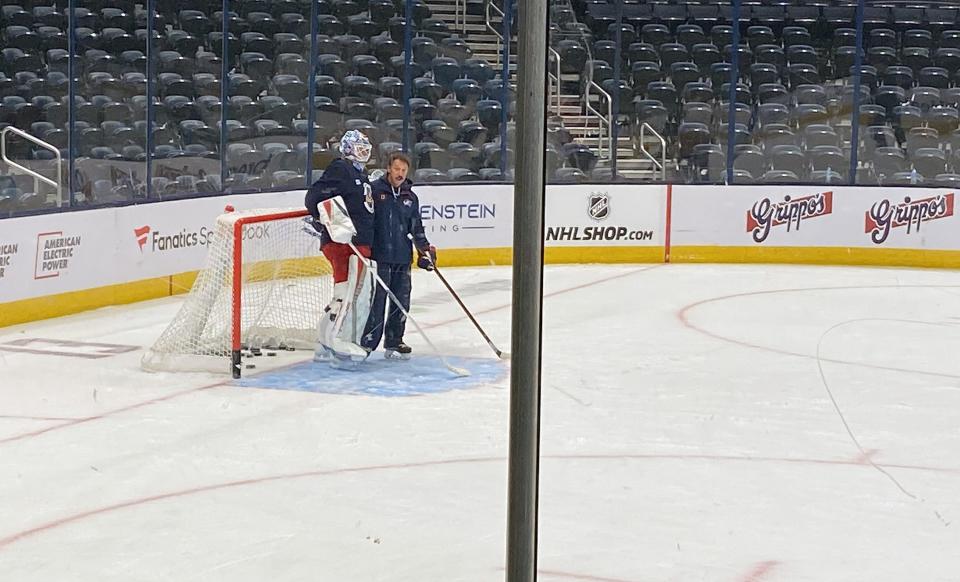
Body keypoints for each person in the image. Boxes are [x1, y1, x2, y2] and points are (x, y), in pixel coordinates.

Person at [304, 130, 376, 366]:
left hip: (358, 243)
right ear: (347, 149)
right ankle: (336, 342)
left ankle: (324, 343)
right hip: (343, 244)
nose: (363, 152)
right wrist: (324, 220)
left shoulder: (361, 174)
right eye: (359, 148)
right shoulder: (341, 168)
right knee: (347, 295)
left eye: (366, 148)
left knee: (343, 295)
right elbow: (314, 196)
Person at [362, 152, 436, 359]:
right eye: (397, 169)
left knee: (401, 301)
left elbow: (416, 226)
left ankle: (395, 340)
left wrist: (425, 251)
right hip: (380, 256)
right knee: (377, 301)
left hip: (403, 257)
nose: (400, 174)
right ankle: (368, 342)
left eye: (404, 170)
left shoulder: (410, 197)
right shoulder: (375, 191)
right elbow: (367, 222)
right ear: (388, 169)